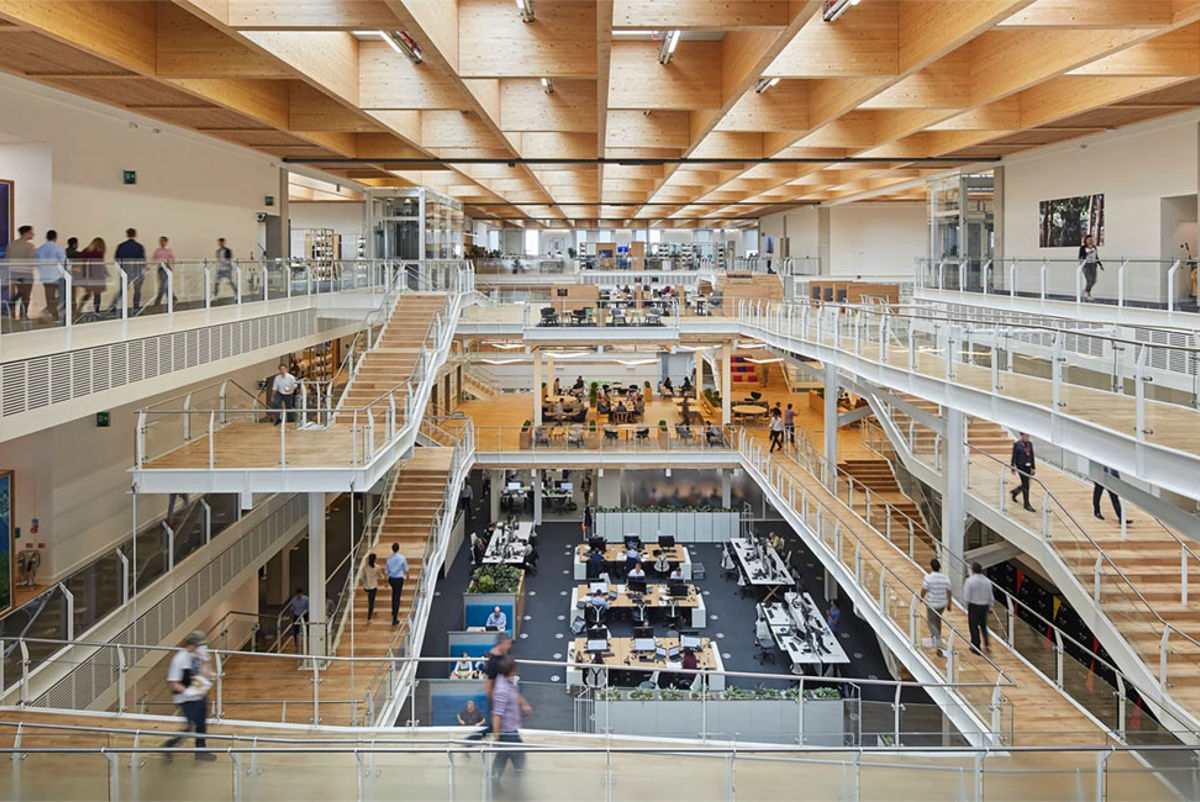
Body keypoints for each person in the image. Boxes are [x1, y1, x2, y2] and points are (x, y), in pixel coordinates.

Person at [164, 631, 217, 760]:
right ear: (192, 644)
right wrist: (188, 692)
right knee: (189, 727)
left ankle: (200, 751)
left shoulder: (198, 654)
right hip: (186, 699)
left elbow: (206, 667)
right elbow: (174, 683)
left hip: (199, 695)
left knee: (201, 724)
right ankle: (168, 746)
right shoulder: (179, 660)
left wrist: (211, 674)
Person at [488, 655, 532, 794]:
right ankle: (517, 792)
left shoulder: (509, 682)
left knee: (501, 760)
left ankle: (493, 789)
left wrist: (523, 704)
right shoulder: (502, 691)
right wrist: (497, 737)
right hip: (507, 733)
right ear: (511, 672)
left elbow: (515, 693)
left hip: (511, 730)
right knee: (519, 760)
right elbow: (496, 715)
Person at [920, 558, 952, 657]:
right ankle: (936, 635)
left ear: (931, 567)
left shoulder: (928, 578)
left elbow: (924, 589)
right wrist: (949, 604)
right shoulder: (945, 578)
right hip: (942, 604)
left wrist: (921, 597)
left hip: (932, 604)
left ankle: (938, 643)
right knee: (937, 620)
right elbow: (949, 591)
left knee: (931, 622)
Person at [109, 228, 145, 312]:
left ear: (127, 235)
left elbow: (117, 258)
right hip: (137, 270)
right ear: (135, 235)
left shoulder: (121, 246)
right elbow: (142, 260)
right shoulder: (139, 246)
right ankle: (136, 307)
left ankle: (113, 305)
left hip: (125, 270)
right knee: (137, 290)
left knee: (123, 289)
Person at [963, 562, 995, 655]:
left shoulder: (970, 581)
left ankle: (976, 646)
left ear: (972, 570)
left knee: (973, 626)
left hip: (974, 606)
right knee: (983, 625)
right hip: (984, 606)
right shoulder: (987, 581)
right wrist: (990, 606)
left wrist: (966, 606)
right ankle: (987, 643)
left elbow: (966, 595)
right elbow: (991, 595)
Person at [34, 230, 66, 322]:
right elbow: (64, 262)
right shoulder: (58, 248)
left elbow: (36, 263)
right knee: (64, 295)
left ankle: (53, 314)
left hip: (45, 276)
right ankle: (52, 313)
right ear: (55, 238)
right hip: (57, 276)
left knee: (49, 297)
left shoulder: (40, 249)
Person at [6, 224, 36, 321]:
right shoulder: (29, 246)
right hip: (26, 273)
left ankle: (11, 309)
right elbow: (31, 261)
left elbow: (7, 259)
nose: (33, 234)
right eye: (31, 232)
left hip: (14, 272)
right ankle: (23, 315)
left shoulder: (11, 245)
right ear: (26, 233)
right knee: (26, 294)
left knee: (21, 292)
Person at [76, 237, 107, 316]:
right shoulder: (99, 253)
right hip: (97, 276)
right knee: (97, 294)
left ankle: (80, 307)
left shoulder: (86, 250)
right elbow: (100, 265)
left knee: (88, 293)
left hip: (87, 276)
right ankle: (96, 311)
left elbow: (80, 260)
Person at [1009, 432, 1037, 512]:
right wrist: (1012, 467)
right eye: (1026, 436)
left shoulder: (1030, 444)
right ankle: (1026, 504)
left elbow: (1031, 455)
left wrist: (1033, 467)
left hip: (1028, 466)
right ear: (1022, 436)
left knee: (1026, 483)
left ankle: (1015, 492)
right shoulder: (1017, 444)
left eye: (1028, 436)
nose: (1027, 437)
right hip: (1021, 466)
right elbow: (1014, 456)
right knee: (1026, 485)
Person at [386, 542, 409, 626]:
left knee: (393, 595)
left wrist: (386, 580)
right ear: (398, 549)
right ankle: (395, 617)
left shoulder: (388, 559)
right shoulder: (402, 558)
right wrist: (407, 576)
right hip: (399, 578)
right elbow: (405, 568)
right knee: (397, 597)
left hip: (391, 578)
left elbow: (387, 571)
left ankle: (393, 611)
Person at [151, 235, 176, 308]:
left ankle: (158, 300)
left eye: (162, 241)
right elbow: (153, 259)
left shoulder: (169, 250)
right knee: (164, 284)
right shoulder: (157, 250)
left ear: (166, 242)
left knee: (165, 284)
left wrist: (169, 261)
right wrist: (149, 266)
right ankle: (173, 298)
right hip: (161, 269)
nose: (161, 242)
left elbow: (173, 260)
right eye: (160, 241)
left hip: (167, 268)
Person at [362, 552, 385, 622]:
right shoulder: (377, 567)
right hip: (373, 586)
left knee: (370, 601)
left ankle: (369, 617)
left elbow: (363, 578)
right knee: (371, 602)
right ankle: (369, 617)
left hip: (367, 587)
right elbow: (381, 576)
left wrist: (366, 582)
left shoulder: (365, 568)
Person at [1078, 234, 1102, 301]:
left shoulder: (1094, 247)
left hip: (1093, 264)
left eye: (1091, 240)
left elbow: (1096, 256)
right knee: (1089, 280)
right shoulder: (1083, 248)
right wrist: (1087, 253)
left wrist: (1100, 265)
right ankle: (1088, 293)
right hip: (1086, 265)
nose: (1090, 241)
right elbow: (1080, 257)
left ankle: (1086, 290)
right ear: (1085, 240)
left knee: (1094, 280)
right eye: (1089, 240)